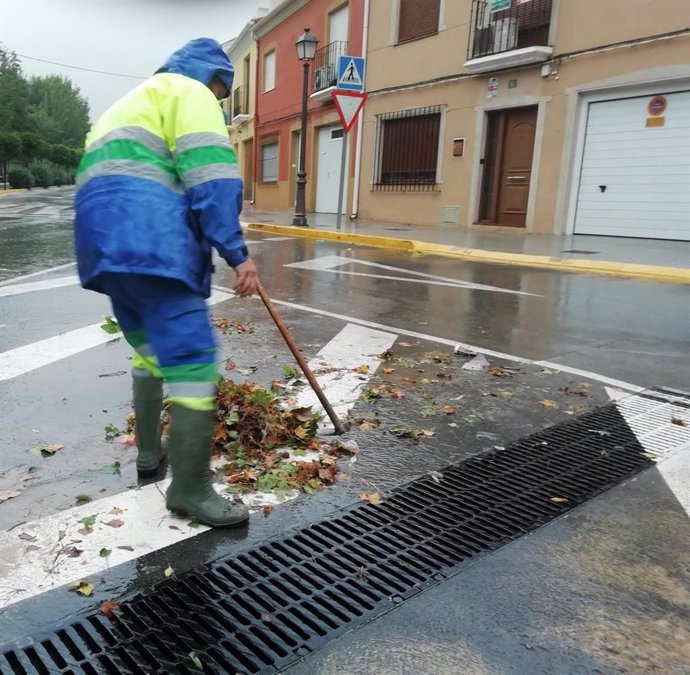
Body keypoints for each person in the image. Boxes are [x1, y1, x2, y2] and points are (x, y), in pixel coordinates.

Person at [74, 38, 258, 528]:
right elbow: (212, 176)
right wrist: (237, 254)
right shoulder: (189, 94)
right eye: (222, 89)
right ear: (212, 77)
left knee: (150, 353)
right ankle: (190, 489)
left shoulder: (124, 105)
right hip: (155, 242)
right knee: (193, 362)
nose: (220, 99)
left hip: (105, 251)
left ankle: (150, 457)